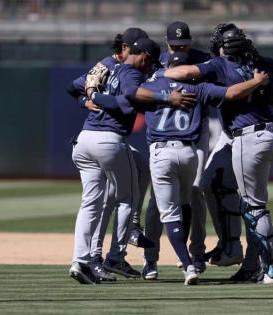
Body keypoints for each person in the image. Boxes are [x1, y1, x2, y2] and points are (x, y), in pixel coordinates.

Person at [91, 50, 270, 284]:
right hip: (189, 154)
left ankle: (185, 265)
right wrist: (256, 82)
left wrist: (91, 96)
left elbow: (123, 99)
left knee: (168, 213)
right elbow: (232, 93)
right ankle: (192, 259)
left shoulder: (151, 88)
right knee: (186, 204)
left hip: (162, 153)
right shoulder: (198, 88)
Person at [159, 23, 273, 284]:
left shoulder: (219, 65)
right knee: (214, 184)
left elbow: (181, 73)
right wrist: (257, 84)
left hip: (247, 135)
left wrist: (161, 73)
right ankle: (239, 254)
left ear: (222, 47)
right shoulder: (265, 65)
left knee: (254, 206)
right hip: (268, 133)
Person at [68, 37, 161, 284]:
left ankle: (81, 261)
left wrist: (89, 94)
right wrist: (94, 98)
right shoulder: (132, 74)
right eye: (150, 61)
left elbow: (76, 86)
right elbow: (127, 102)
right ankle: (116, 254)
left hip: (84, 139)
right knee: (127, 199)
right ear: (144, 57)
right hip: (108, 142)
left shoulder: (108, 67)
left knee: (90, 204)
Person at [143, 21, 211, 279]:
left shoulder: (202, 60)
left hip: (195, 133)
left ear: (190, 42)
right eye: (175, 44)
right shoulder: (157, 62)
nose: (180, 48)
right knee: (156, 201)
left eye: (184, 44)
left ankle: (195, 254)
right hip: (163, 137)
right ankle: (151, 258)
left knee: (195, 190)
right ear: (167, 42)